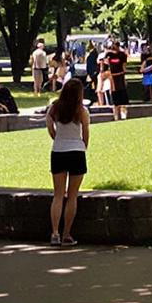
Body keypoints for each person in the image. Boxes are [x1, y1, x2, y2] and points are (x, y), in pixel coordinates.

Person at [45, 76, 91, 247]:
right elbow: (85, 131)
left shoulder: (54, 108)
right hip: (76, 151)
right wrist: (83, 145)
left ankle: (54, 232)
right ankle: (67, 234)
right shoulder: (81, 110)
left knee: (58, 195)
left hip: (58, 150)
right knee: (72, 196)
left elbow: (50, 126)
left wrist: (56, 138)